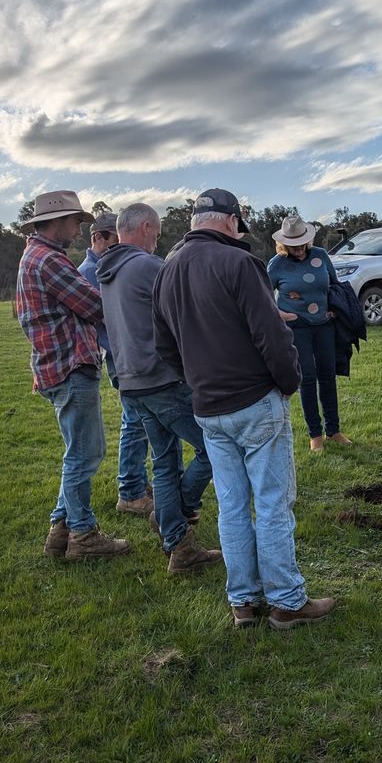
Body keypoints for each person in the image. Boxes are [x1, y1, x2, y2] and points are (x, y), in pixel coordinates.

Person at [153, 189, 336, 630]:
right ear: (232, 222)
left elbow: (164, 347)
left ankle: (243, 602)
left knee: (232, 505)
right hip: (254, 401)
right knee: (272, 503)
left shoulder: (167, 269)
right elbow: (272, 335)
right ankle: (287, 601)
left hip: (208, 407)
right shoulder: (240, 263)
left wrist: (199, 380)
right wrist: (289, 382)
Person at [96, 203, 222, 575]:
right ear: (146, 226)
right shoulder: (146, 265)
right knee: (213, 446)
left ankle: (179, 547)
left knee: (164, 462)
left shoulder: (108, 271)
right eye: (158, 230)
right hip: (162, 379)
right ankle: (173, 514)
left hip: (132, 382)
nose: (158, 238)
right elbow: (193, 304)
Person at [14, 190, 131, 560]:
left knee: (78, 451)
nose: (79, 230)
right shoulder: (50, 261)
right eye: (74, 222)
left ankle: (60, 530)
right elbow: (93, 304)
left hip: (55, 364)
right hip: (70, 364)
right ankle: (83, 535)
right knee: (85, 452)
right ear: (56, 221)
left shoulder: (36, 257)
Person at [77, 212, 152, 517]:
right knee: (135, 422)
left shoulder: (101, 267)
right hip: (119, 355)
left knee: (139, 421)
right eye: (115, 240)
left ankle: (137, 481)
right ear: (100, 238)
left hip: (123, 354)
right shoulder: (90, 272)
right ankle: (131, 492)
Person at [267, 215, 350, 452]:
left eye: (302, 243)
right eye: (294, 245)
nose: (300, 249)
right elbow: (262, 295)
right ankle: (315, 435)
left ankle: (333, 431)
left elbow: (334, 284)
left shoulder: (321, 256)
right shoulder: (277, 264)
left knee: (328, 375)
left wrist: (334, 308)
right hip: (297, 327)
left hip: (324, 324)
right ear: (285, 244)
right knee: (308, 378)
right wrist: (282, 315)